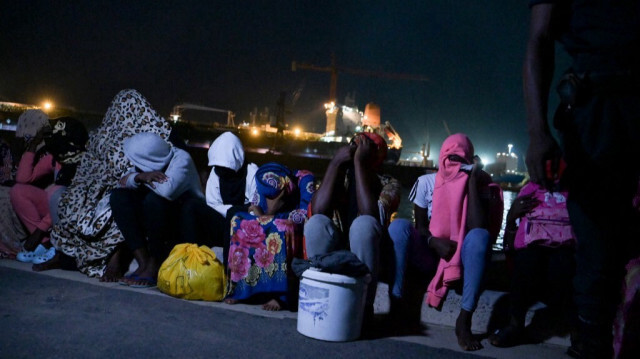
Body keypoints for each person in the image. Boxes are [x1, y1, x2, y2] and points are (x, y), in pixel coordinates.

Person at [524, 2, 640, 357]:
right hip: (597, 108)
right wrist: (538, 131)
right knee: (595, 251)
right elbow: (540, 37)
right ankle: (593, 344)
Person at [44, 89, 174, 280]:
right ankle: (63, 255)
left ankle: (116, 259)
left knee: (114, 204)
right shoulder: (102, 135)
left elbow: (156, 167)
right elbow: (89, 166)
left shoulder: (152, 134)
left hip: (129, 187)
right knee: (69, 200)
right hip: (96, 184)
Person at [404, 133, 503, 351]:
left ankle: (464, 320)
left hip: (465, 260)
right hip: (434, 253)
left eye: (461, 158)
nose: (454, 162)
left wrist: (470, 183)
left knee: (480, 237)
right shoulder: (426, 182)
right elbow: (420, 227)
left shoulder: (480, 184)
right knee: (400, 228)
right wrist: (433, 242)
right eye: (451, 156)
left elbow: (478, 228)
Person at [303, 132, 401, 325]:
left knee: (362, 225)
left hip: (370, 254)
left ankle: (365, 306)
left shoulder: (389, 184)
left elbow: (370, 215)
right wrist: (335, 163)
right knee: (315, 224)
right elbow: (318, 210)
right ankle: (319, 297)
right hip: (337, 247)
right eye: (353, 144)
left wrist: (359, 165)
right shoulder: (340, 176)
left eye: (362, 146)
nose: (354, 149)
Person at [489, 177, 577, 349]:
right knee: (527, 259)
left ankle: (577, 331)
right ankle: (515, 325)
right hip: (534, 260)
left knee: (568, 264)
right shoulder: (531, 190)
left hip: (566, 256)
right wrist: (512, 215)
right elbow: (510, 242)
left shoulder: (579, 190)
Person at [110, 132, 203, 288]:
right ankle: (143, 261)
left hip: (185, 216)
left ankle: (154, 262)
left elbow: (167, 191)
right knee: (119, 197)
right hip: (156, 212)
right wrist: (141, 176)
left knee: (154, 200)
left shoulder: (181, 159)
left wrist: (140, 177)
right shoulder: (146, 163)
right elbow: (123, 182)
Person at [226, 162, 314, 311]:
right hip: (270, 218)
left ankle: (279, 295)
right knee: (238, 220)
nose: (267, 198)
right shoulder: (263, 179)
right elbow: (255, 207)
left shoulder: (305, 179)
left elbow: (305, 214)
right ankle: (242, 289)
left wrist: (274, 209)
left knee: (282, 226)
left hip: (293, 225)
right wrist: (267, 216)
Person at [11, 117, 87, 265]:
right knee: (18, 191)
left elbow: (72, 198)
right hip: (55, 211)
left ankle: (50, 243)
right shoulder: (56, 156)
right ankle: (46, 243)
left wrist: (39, 231)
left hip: (77, 212)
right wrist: (33, 144)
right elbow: (23, 179)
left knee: (58, 192)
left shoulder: (85, 158)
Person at [179, 131, 258, 264]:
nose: (222, 170)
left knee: (234, 213)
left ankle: (229, 272)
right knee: (191, 206)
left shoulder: (252, 172)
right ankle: (191, 260)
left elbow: (254, 208)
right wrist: (234, 209)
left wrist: (233, 211)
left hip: (242, 227)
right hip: (221, 223)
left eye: (225, 166)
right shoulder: (216, 173)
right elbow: (212, 204)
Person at [0, 110, 48, 258]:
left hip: (42, 207)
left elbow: (22, 179)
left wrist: (31, 148)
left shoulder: (48, 151)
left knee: (6, 195)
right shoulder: (15, 148)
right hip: (26, 204)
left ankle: (17, 246)